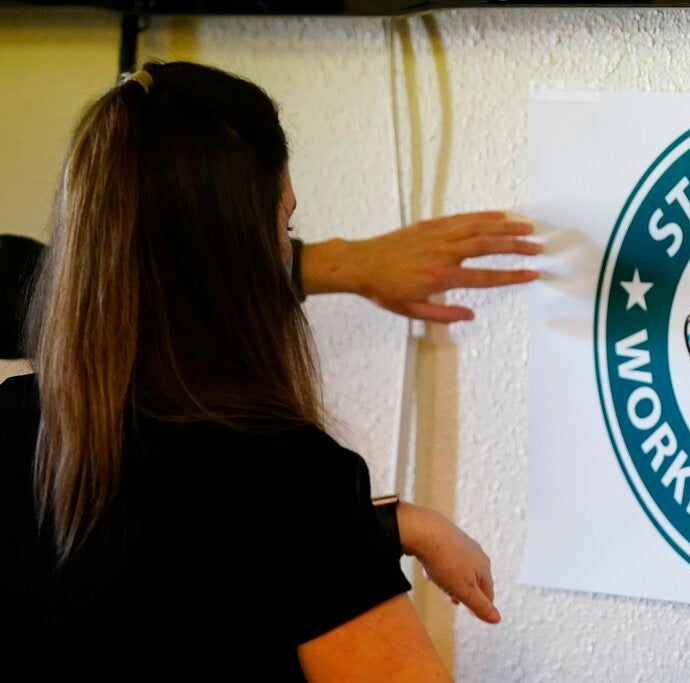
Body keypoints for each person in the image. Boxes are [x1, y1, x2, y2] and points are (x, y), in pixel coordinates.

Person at [0, 61, 539, 681]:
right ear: (240, 255)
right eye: (285, 225)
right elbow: (233, 524)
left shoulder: (15, 426)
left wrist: (380, 525)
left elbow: (168, 540)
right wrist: (342, 524)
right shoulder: (288, 480)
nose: (287, 250)